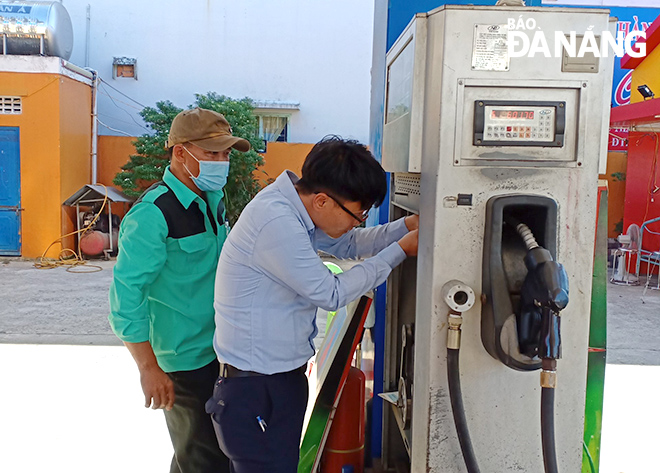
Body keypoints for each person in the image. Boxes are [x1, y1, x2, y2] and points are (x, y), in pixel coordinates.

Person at [206, 135, 419, 472]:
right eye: (357, 213)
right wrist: (399, 252)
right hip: (256, 389)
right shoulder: (276, 221)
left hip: (274, 382)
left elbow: (349, 244)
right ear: (322, 201)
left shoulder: (295, 207)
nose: (357, 221)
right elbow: (330, 292)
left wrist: (405, 227)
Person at [109, 108, 249, 473]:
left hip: (217, 347)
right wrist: (148, 367)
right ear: (180, 153)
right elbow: (126, 301)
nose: (222, 162)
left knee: (199, 451)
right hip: (182, 362)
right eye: (212, 153)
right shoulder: (152, 215)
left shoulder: (211, 200)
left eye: (226, 154)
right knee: (204, 459)